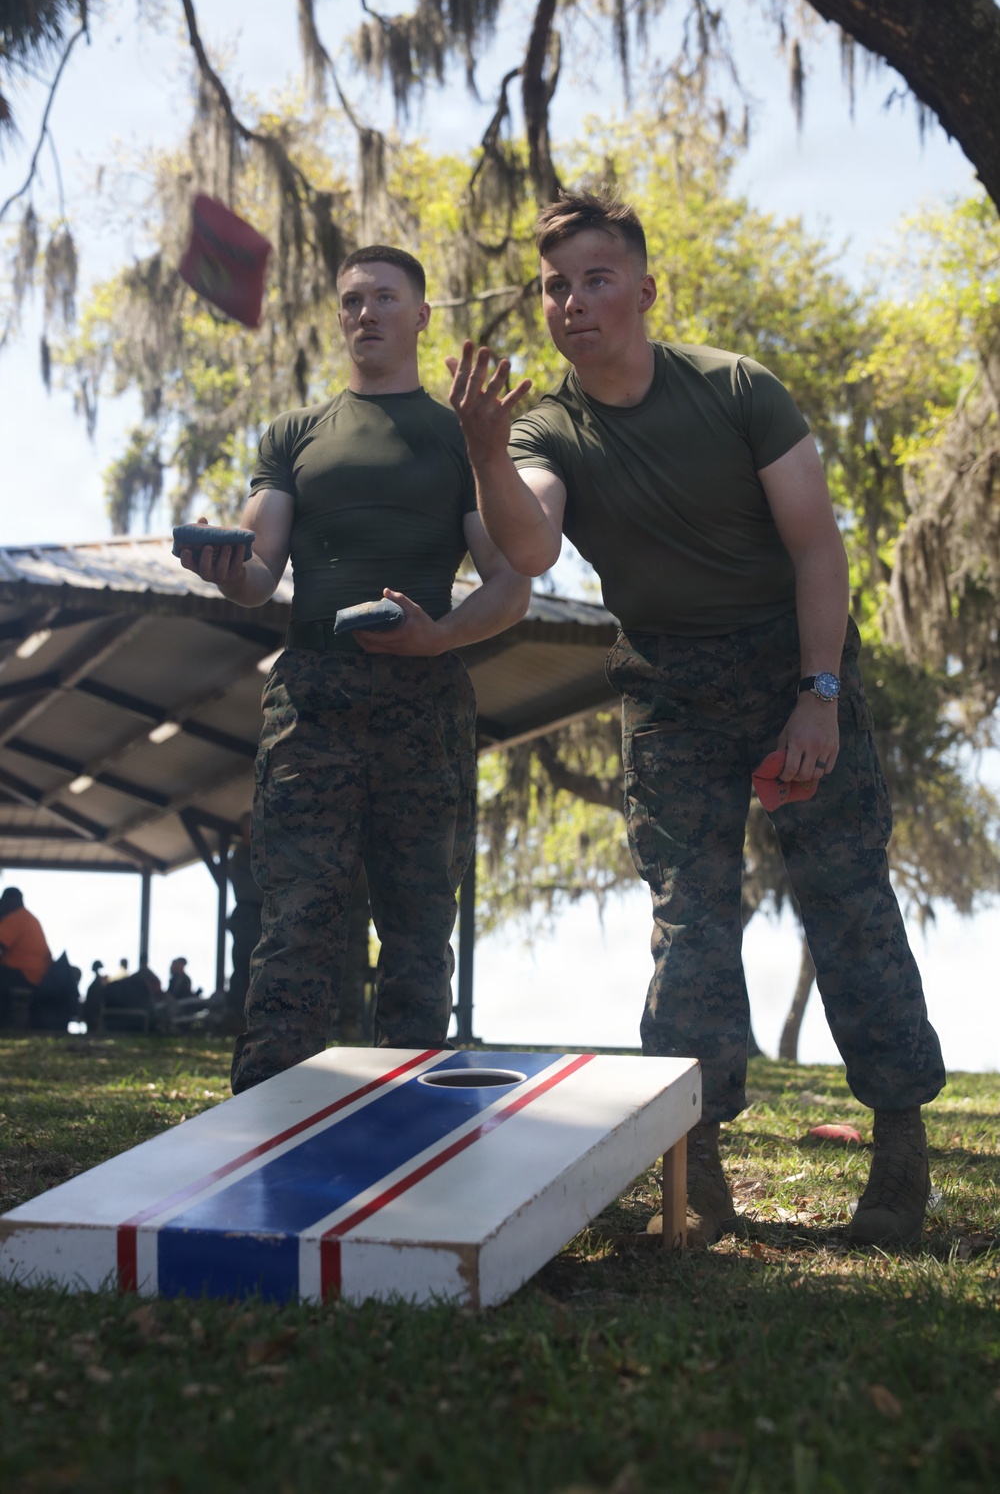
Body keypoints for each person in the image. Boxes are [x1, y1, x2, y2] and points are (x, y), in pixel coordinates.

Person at [448, 189, 945, 1248]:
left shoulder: (735, 389)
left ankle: (899, 1160)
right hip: (668, 687)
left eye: (594, 279)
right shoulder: (545, 424)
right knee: (689, 915)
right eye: (554, 287)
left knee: (845, 896)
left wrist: (816, 694)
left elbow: (817, 547)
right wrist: (485, 450)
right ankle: (696, 1166)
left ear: (642, 290)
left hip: (788, 663)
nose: (572, 302)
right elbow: (529, 552)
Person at [176, 244, 531, 1093]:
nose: (365, 313)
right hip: (314, 703)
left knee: (417, 927)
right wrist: (227, 570)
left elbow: (511, 584)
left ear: (421, 317)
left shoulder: (459, 437)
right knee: (297, 917)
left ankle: (408, 1124)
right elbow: (259, 574)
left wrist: (437, 637)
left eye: (383, 297)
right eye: (350, 301)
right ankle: (265, 1116)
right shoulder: (295, 436)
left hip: (427, 701)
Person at [226, 813, 263, 1030]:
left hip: (257, 914)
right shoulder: (242, 853)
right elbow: (255, 888)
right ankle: (236, 1018)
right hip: (248, 914)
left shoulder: (256, 852)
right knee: (243, 967)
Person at [0, 886, 53, 1024]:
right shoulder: (27, 917)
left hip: (26, 974)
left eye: (3, 901)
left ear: (12, 900)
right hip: (36, 974)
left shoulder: (16, 917)